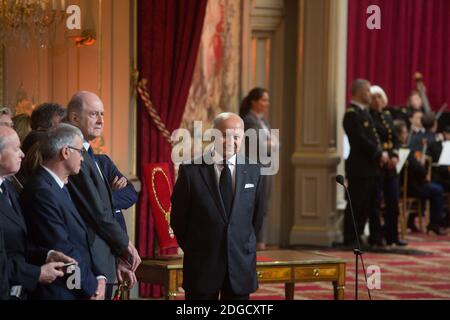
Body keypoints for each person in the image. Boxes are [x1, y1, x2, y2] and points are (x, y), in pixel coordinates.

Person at [171, 112, 265, 300]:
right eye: (224, 135)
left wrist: (242, 243)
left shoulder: (254, 171)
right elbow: (179, 220)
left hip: (240, 265)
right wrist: (196, 247)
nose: (230, 141)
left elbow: (257, 216)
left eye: (236, 136)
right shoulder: (191, 172)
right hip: (202, 265)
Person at [66, 91, 140, 298]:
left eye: (102, 114)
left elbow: (130, 194)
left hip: (103, 257)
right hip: (86, 261)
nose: (100, 120)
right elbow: (96, 211)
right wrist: (125, 245)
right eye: (93, 114)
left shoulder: (94, 156)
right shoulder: (75, 156)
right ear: (74, 118)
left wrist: (104, 200)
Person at [21, 124, 106, 299]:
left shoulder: (58, 186)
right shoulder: (41, 191)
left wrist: (99, 277)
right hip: (59, 291)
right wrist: (92, 289)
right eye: (80, 152)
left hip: (72, 288)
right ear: (66, 152)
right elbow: (62, 248)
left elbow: (80, 240)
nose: (82, 158)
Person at [0, 125, 74, 299]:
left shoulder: (8, 188)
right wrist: (36, 273)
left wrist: (46, 255)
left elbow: (18, 242)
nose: (22, 154)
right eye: (16, 148)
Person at [343, 79, 387, 247]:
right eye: (368, 91)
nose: (371, 94)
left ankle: (360, 235)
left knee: (368, 205)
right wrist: (378, 154)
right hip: (360, 167)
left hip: (370, 167)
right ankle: (350, 237)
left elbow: (374, 137)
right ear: (360, 92)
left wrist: (380, 153)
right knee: (356, 203)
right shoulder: (352, 113)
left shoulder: (364, 112)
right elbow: (359, 139)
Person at [369, 85, 407, 246]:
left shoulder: (388, 116)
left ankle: (392, 235)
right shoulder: (368, 117)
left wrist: (395, 155)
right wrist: (383, 155)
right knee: (375, 203)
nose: (377, 100)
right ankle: (376, 237)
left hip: (391, 165)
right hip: (377, 164)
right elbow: (372, 140)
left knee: (393, 200)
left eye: (380, 97)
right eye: (374, 97)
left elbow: (396, 139)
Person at [239, 88, 276, 251]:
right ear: (254, 101)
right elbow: (259, 145)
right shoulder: (249, 120)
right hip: (256, 167)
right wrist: (270, 143)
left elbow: (277, 143)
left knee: (264, 204)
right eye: (264, 100)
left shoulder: (264, 121)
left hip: (267, 166)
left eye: (267, 100)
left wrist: (271, 143)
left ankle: (261, 240)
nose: (267, 103)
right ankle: (255, 240)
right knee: (256, 204)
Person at [395, 121, 447, 235]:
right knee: (437, 190)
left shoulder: (396, 149)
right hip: (411, 187)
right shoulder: (405, 151)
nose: (406, 135)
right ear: (400, 135)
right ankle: (435, 224)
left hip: (401, 186)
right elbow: (420, 170)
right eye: (405, 133)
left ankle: (411, 221)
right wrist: (422, 166)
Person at [95, 154, 138, 232]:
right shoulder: (74, 166)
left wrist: (106, 197)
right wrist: (111, 192)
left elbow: (131, 194)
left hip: (120, 233)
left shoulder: (102, 161)